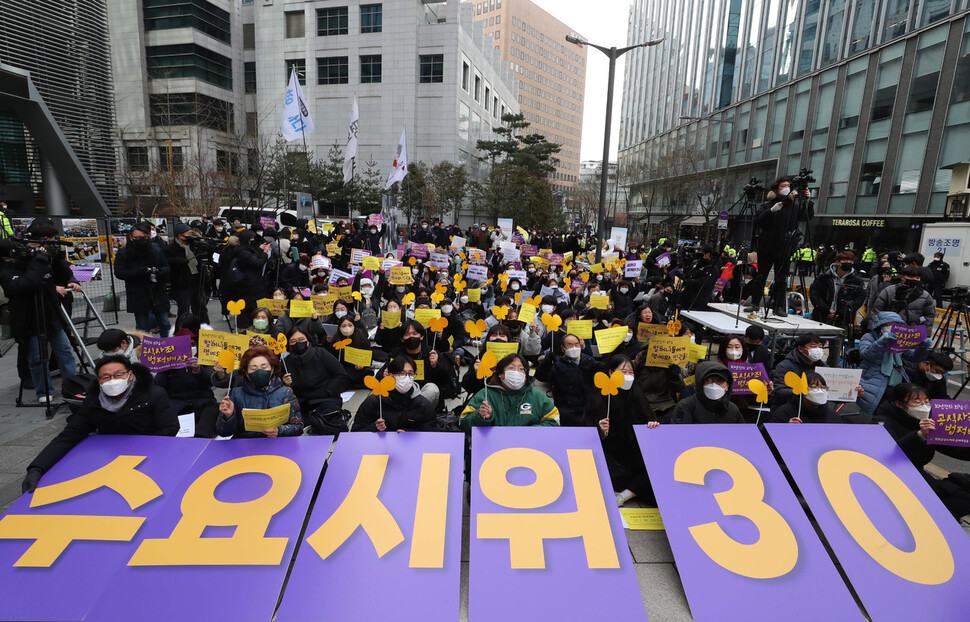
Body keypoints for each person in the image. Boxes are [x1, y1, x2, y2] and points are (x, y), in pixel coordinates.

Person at [21, 355, 178, 492]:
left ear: (130, 375)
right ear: (99, 381)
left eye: (118, 375)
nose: (113, 380)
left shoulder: (153, 394)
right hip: (110, 456)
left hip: (149, 454)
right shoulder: (93, 401)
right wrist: (37, 468)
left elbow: (170, 428)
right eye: (106, 377)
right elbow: (69, 435)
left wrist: (141, 450)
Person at [0, 220, 81, 403]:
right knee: (37, 357)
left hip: (51, 312)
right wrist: (37, 259)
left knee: (65, 351)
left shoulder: (47, 254)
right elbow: (26, 284)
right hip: (30, 317)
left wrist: (70, 279)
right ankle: (43, 391)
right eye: (49, 240)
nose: (51, 244)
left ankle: (73, 386)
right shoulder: (17, 260)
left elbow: (61, 268)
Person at [584, 355, 659, 507]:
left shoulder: (637, 395)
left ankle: (624, 495)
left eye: (631, 372)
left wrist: (652, 424)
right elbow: (587, 432)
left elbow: (649, 419)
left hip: (634, 452)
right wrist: (601, 431)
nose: (628, 376)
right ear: (611, 373)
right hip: (610, 455)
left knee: (656, 468)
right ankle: (634, 489)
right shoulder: (598, 398)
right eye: (623, 371)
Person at [751, 177, 813, 316]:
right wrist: (771, 211)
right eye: (783, 185)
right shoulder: (767, 205)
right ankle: (755, 303)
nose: (786, 187)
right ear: (776, 189)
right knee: (761, 275)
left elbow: (807, 217)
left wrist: (808, 202)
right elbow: (757, 222)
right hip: (767, 246)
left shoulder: (794, 206)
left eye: (788, 185)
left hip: (785, 246)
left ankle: (778, 307)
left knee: (781, 278)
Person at [154, 315, 220, 437]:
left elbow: (212, 379)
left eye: (191, 335)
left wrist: (199, 369)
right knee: (167, 423)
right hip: (176, 402)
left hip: (203, 401)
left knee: (212, 412)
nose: (188, 339)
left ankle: (201, 441)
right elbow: (158, 383)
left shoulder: (207, 348)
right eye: (182, 334)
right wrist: (163, 364)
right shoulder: (169, 350)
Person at [216, 345, 303, 438]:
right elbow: (223, 432)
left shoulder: (286, 392)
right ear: (246, 373)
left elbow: (298, 427)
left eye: (264, 367)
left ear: (272, 369)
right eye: (253, 368)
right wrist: (228, 416)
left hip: (275, 445)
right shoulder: (236, 393)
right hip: (246, 446)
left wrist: (279, 431)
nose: (259, 371)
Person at [460, 353, 559, 429]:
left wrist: (530, 432)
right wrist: (480, 416)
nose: (516, 372)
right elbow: (464, 423)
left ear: (525, 376)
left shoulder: (537, 397)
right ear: (500, 374)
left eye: (521, 369)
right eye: (511, 368)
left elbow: (554, 421)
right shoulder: (485, 395)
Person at [857, 311, 929, 415]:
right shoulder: (869, 337)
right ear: (879, 326)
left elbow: (913, 357)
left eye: (894, 325)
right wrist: (881, 342)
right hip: (873, 378)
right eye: (887, 325)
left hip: (897, 378)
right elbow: (866, 354)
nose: (891, 327)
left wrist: (923, 348)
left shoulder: (899, 340)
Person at [281, 327, 349, 434]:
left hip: (325, 399)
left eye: (301, 340)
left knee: (328, 420)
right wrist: (285, 384)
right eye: (293, 341)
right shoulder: (285, 363)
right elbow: (280, 390)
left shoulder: (321, 353)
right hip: (302, 404)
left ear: (308, 341)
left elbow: (340, 374)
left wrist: (329, 391)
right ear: (289, 345)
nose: (298, 343)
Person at [113, 222, 172, 337]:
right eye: (138, 238)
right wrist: (138, 273)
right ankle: (144, 351)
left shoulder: (155, 249)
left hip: (158, 292)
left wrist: (159, 272)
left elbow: (166, 267)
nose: (142, 240)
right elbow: (119, 272)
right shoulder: (124, 253)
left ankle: (168, 348)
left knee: (165, 323)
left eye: (145, 237)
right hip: (138, 294)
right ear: (131, 237)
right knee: (142, 327)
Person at [353, 355, 436, 432]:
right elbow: (356, 432)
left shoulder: (423, 405)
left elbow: (431, 434)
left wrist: (409, 433)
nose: (406, 378)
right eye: (402, 373)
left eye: (411, 374)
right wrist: (374, 427)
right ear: (390, 376)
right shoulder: (374, 401)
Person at [535, 333, 602, 426]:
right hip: (567, 411)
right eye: (570, 345)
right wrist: (547, 362)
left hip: (588, 409)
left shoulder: (587, 360)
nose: (574, 347)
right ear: (563, 348)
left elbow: (604, 367)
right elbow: (540, 376)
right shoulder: (557, 364)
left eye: (576, 344)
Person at [669, 361, 744, 424]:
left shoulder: (732, 409)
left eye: (719, 381)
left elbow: (742, 434)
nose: (714, 385)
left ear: (727, 386)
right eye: (709, 380)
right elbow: (677, 434)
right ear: (701, 384)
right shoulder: (687, 406)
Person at [809, 250, 866, 327]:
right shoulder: (824, 277)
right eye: (845, 260)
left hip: (843, 320)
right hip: (821, 317)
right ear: (837, 262)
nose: (848, 263)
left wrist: (841, 312)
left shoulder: (857, 280)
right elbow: (814, 294)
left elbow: (859, 298)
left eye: (851, 261)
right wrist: (825, 310)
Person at [166, 222, 208, 322]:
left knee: (201, 309)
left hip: (197, 282)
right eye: (188, 233)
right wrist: (179, 261)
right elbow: (167, 263)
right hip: (182, 285)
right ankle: (181, 332)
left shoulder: (195, 245)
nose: (191, 235)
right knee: (184, 310)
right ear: (180, 236)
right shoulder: (170, 249)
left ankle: (204, 329)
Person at [870, 266, 935, 329]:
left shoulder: (925, 296)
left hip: (912, 333)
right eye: (911, 277)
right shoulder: (889, 291)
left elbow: (929, 317)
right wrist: (872, 329)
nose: (914, 279)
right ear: (902, 277)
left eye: (917, 278)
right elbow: (876, 311)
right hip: (889, 330)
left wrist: (925, 335)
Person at [770, 372, 842, 424]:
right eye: (814, 387)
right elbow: (770, 438)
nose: (820, 391)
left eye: (823, 387)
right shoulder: (784, 413)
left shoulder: (833, 416)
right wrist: (786, 429)